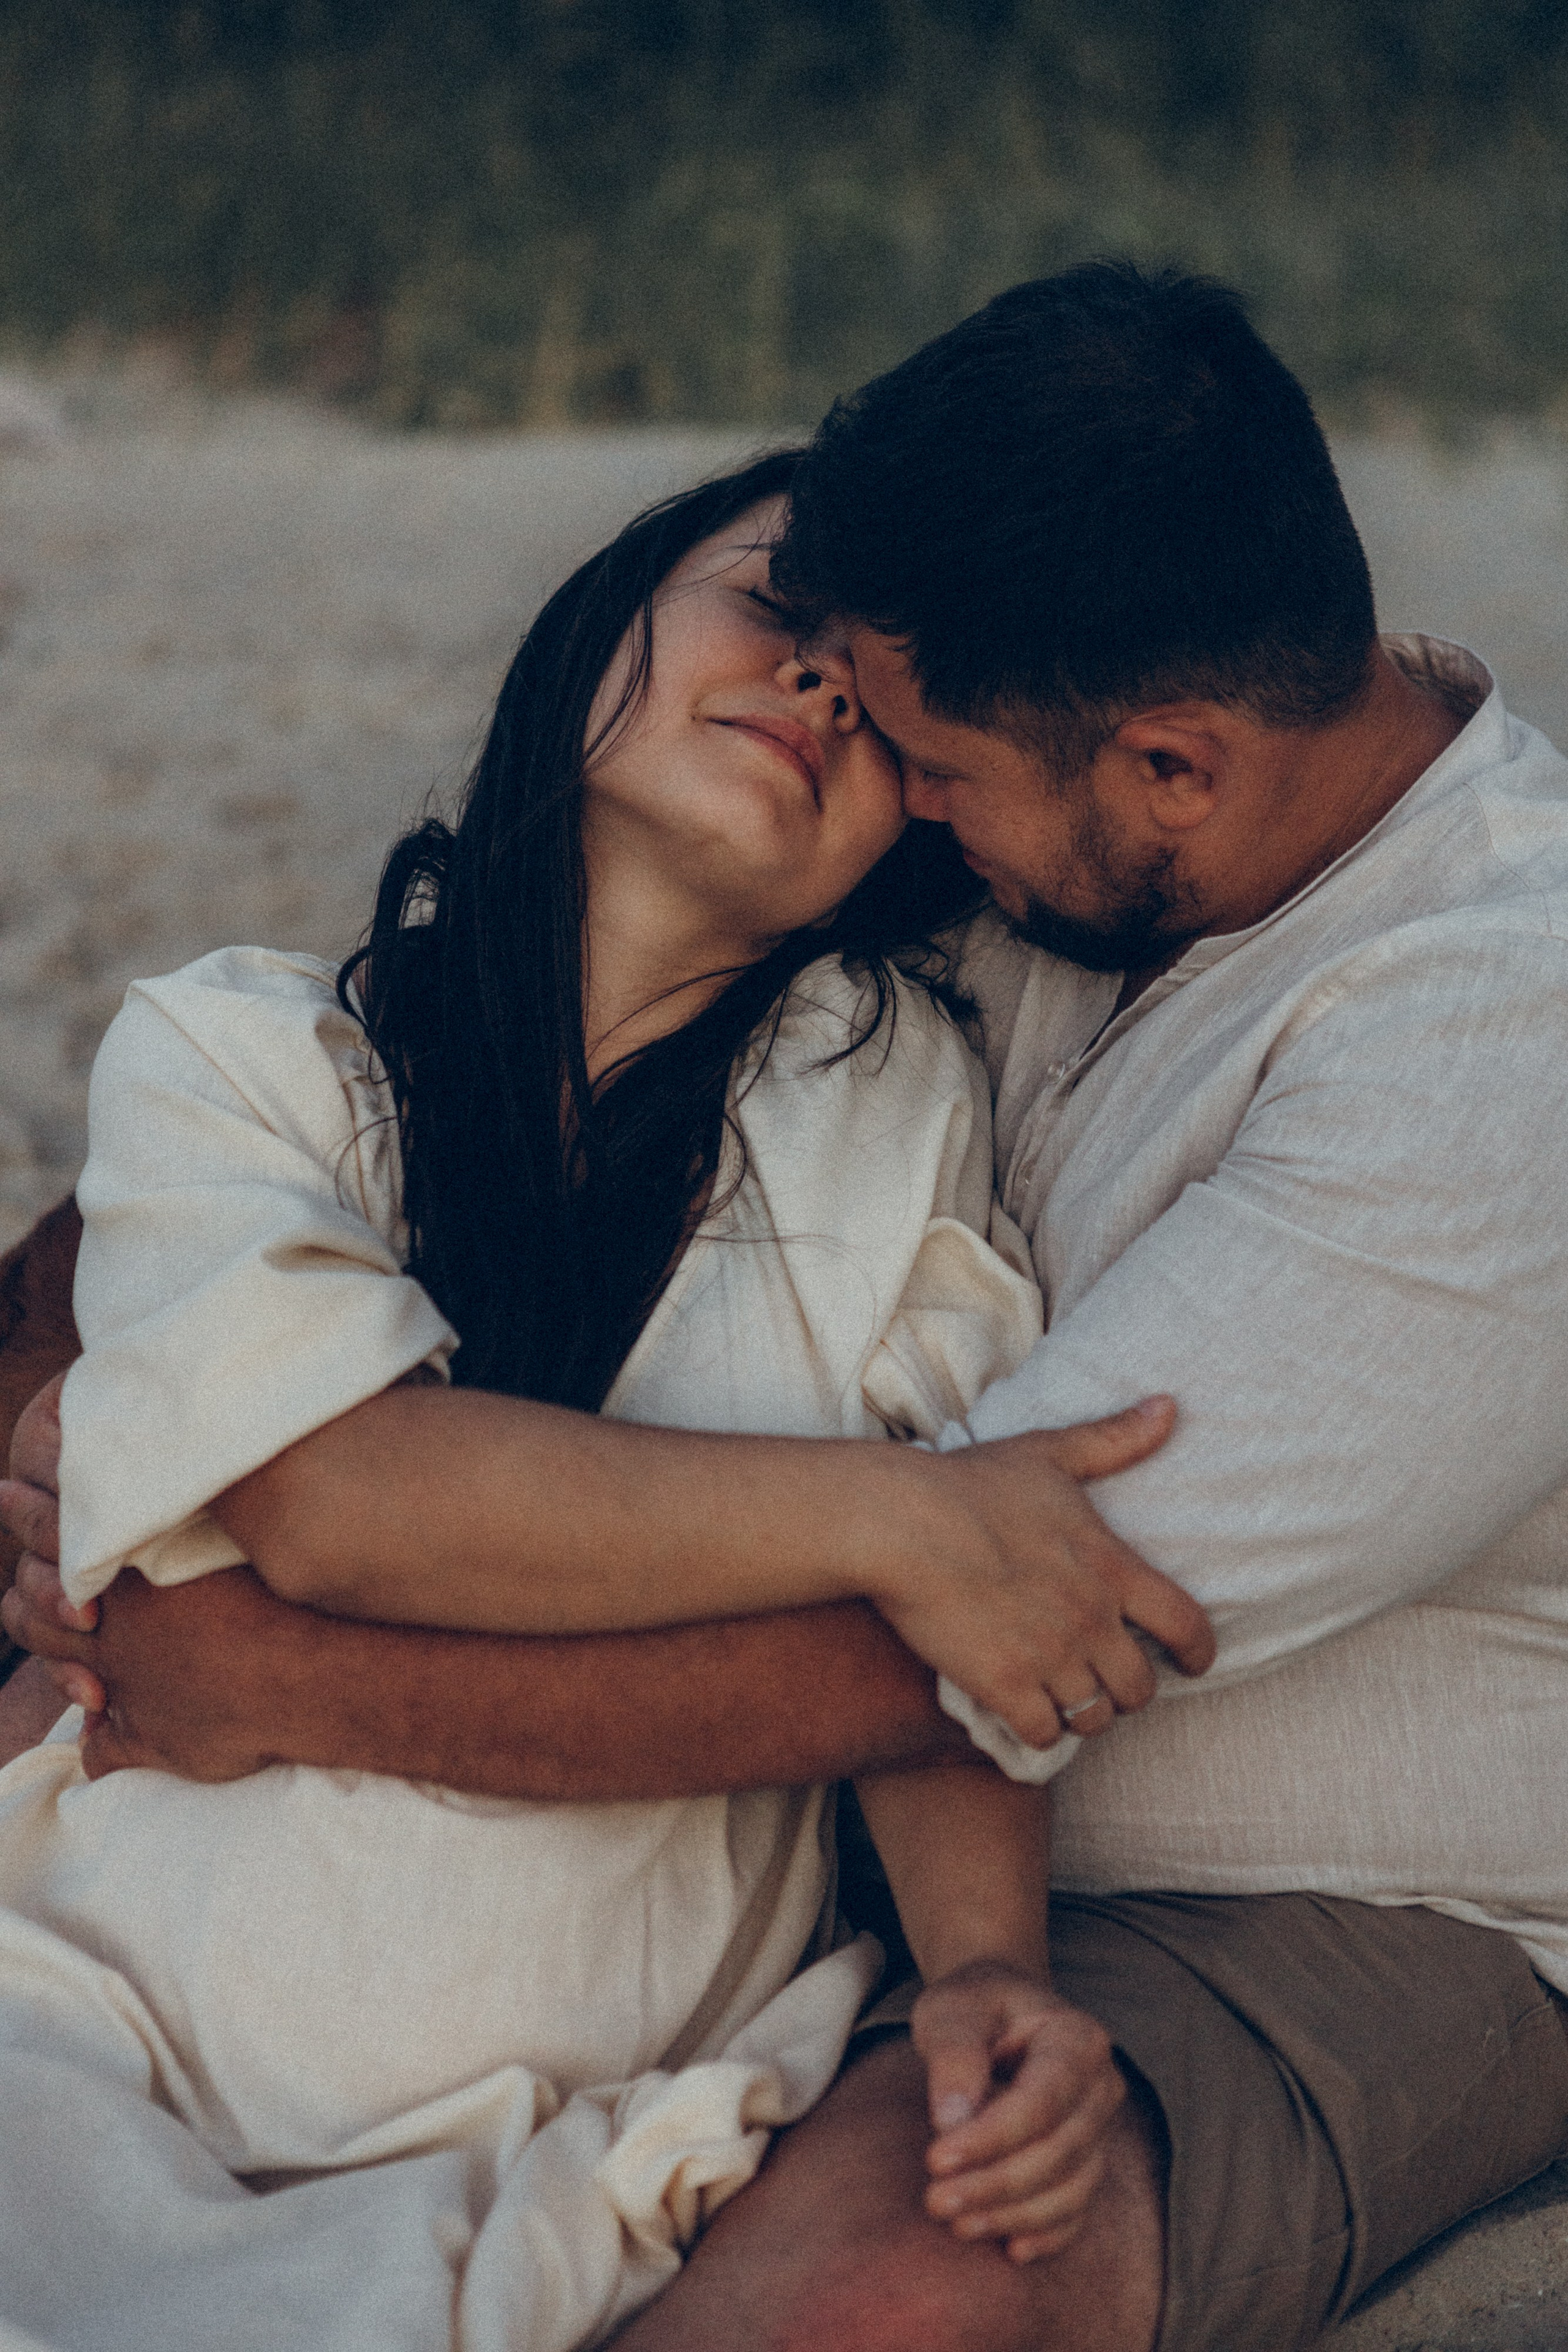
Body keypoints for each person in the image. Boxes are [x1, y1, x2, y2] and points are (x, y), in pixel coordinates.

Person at [9, 259, 1568, 2351]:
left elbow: (942, 1653)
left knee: (878, 2290)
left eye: (922, 755)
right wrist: (52, 1412)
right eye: (800, 647)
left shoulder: (1493, 1040)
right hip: (763, 1861)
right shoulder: (1017, 869)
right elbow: (342, 1099)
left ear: (1171, 773)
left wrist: (268, 1675)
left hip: (1298, 1912)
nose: (883, 767)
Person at [0, 449, 1210, 2352]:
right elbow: (341, 1492)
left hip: (571, 2137)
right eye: (775, 609)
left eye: (882, 701)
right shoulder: (252, 1055)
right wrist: (898, 1517)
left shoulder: (901, 1120)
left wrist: (990, 1967)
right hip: (96, 2023)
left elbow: (969, 1645)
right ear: (596, 631)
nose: (818, 686)